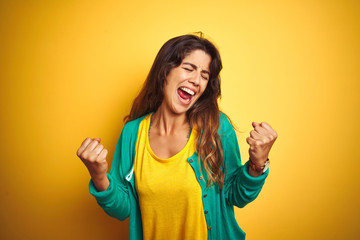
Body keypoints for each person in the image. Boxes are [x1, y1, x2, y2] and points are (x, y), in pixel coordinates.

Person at [76, 33, 277, 240]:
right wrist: (99, 176)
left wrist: (257, 164)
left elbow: (236, 195)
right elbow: (123, 208)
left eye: (204, 75)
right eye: (189, 68)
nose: (196, 80)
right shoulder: (132, 133)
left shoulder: (215, 127)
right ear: (165, 71)